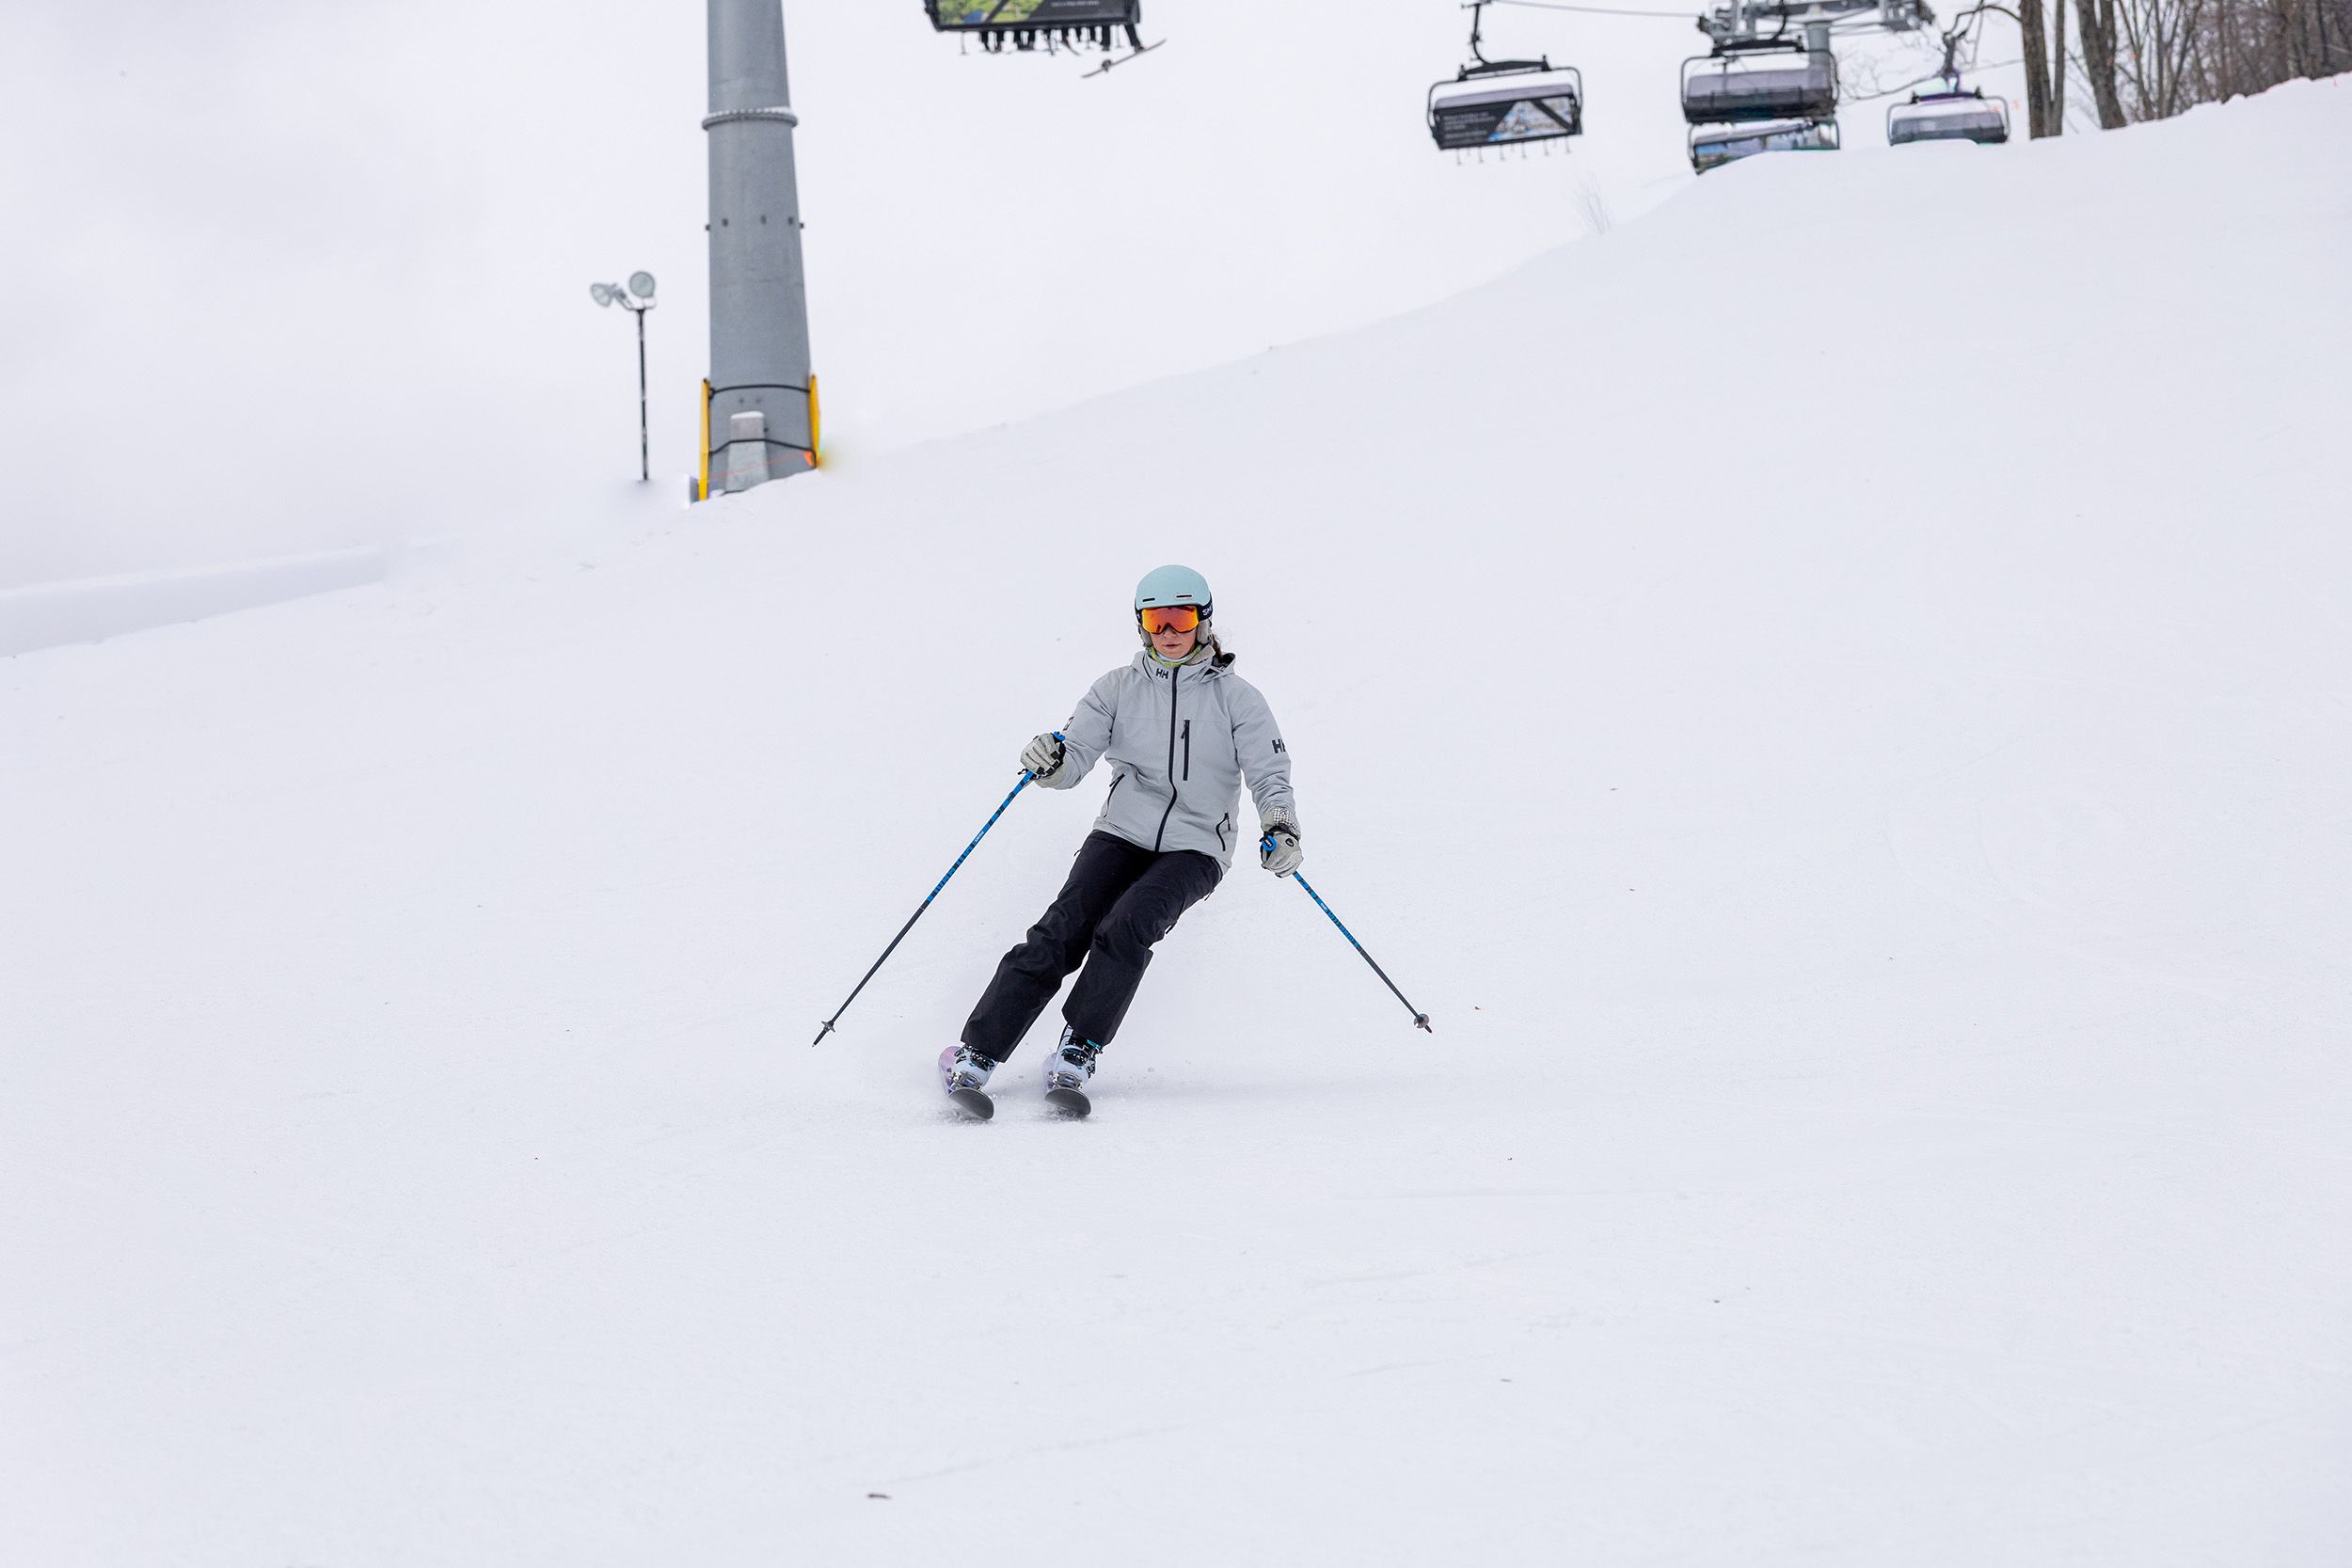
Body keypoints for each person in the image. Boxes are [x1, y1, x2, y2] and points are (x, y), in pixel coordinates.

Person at [941, 565, 1303, 1106]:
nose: (1168, 632)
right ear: (1141, 625)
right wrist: (1050, 759)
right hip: (1120, 833)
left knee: (1128, 926)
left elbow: (1269, 774)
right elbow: (1074, 759)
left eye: (1179, 617)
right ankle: (975, 1054)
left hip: (1198, 846)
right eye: (1156, 620)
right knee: (1062, 931)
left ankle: (1077, 1052)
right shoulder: (1117, 689)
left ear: (1203, 621)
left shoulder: (1238, 699)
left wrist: (1281, 826)